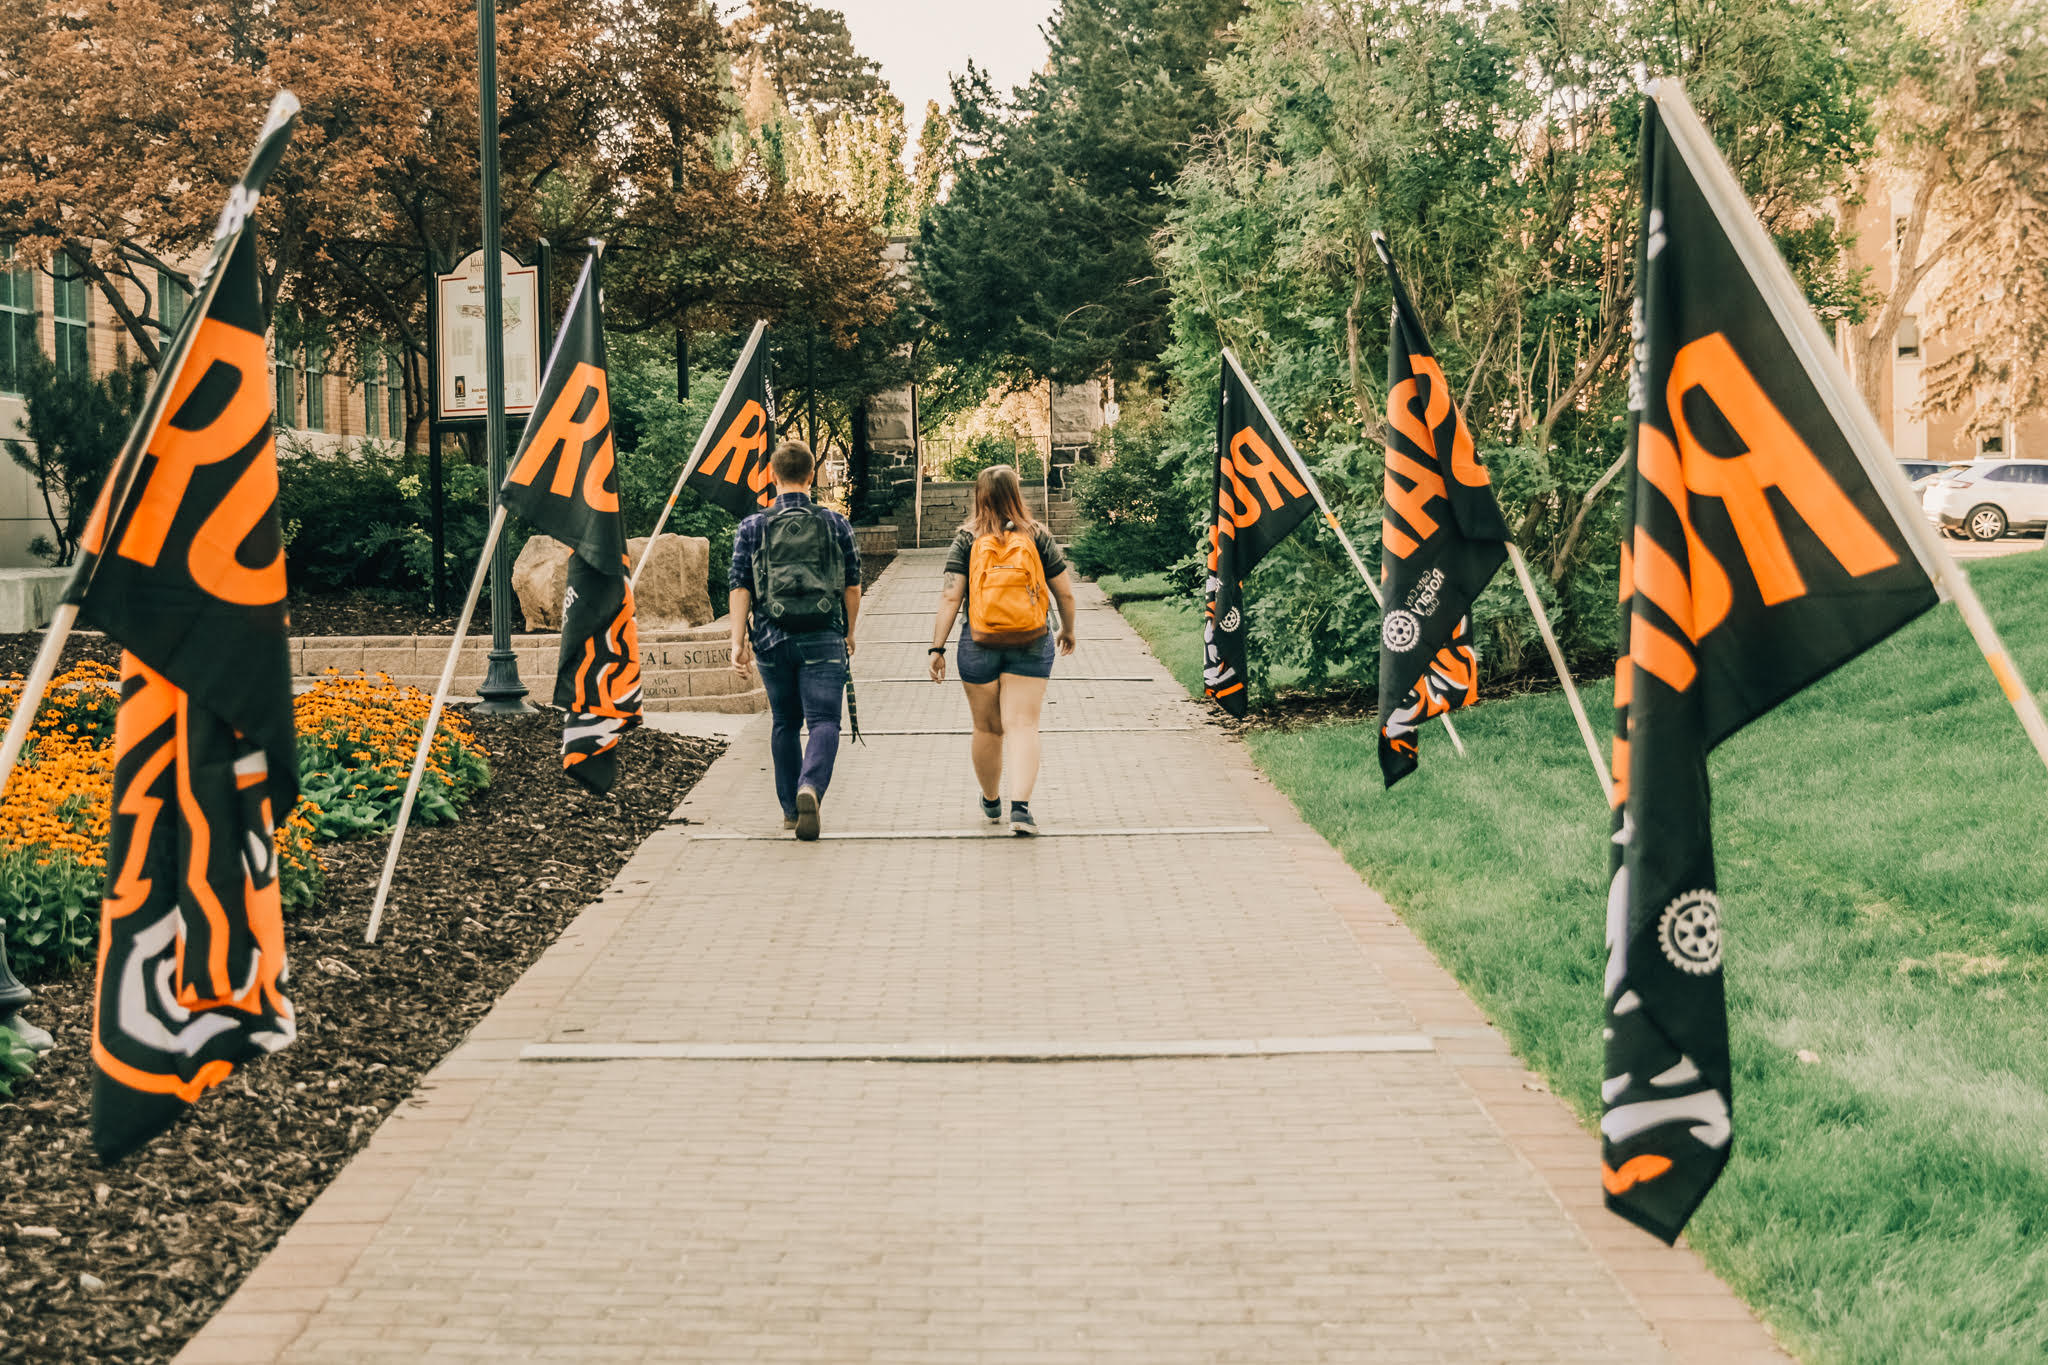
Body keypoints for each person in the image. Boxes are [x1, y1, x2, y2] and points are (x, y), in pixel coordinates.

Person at [927, 464, 1078, 835]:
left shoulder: (967, 537)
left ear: (979, 496)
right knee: (1023, 724)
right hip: (1032, 639)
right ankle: (1021, 809)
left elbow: (951, 595)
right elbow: (1066, 592)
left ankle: (991, 801)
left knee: (987, 728)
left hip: (978, 642)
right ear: (1016, 492)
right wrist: (1068, 630)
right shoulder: (1038, 535)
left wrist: (936, 648)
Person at [729, 440, 861, 840]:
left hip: (771, 637)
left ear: (773, 475)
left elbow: (739, 585)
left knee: (785, 722)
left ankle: (790, 809)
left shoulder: (753, 526)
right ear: (810, 476)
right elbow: (853, 583)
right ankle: (811, 787)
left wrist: (739, 641)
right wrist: (851, 631)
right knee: (824, 721)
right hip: (823, 636)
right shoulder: (835, 522)